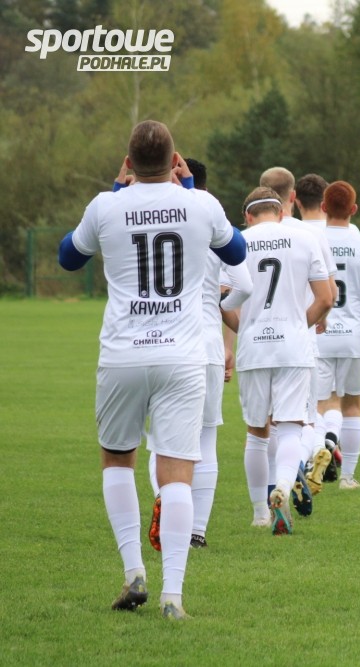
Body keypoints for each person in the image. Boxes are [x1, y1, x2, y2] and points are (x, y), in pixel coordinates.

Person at [58, 120, 247, 619]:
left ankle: (134, 572)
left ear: (128, 162)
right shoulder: (200, 203)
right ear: (174, 160)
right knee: (177, 472)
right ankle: (173, 596)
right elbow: (236, 251)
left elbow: (68, 258)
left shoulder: (106, 204)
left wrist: (117, 189)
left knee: (118, 460)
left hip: (123, 354)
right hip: (182, 356)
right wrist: (189, 187)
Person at [142, 157, 253, 551]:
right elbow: (244, 285)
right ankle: (196, 532)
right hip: (205, 342)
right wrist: (219, 307)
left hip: (158, 341)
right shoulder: (213, 219)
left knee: (161, 440)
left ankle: (165, 500)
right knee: (205, 438)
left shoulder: (147, 217)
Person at [235, 186, 334, 535]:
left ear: (248, 216)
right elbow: (326, 298)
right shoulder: (304, 238)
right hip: (293, 346)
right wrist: (296, 326)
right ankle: (283, 485)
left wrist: (246, 329)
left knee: (257, 432)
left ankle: (260, 513)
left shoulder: (237, 242)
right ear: (280, 212)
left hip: (254, 347)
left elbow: (222, 300)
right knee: (291, 425)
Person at [260, 167, 339, 517]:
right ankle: (298, 466)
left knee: (265, 426)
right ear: (292, 196)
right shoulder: (308, 234)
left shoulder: (252, 235)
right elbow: (330, 292)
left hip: (258, 341)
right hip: (299, 341)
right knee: (302, 421)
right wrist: (315, 318)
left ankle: (264, 506)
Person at [312, 181, 360, 489]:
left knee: (319, 405)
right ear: (354, 209)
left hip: (318, 333)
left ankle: (317, 454)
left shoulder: (312, 241)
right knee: (353, 406)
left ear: (324, 208)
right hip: (354, 336)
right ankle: (348, 477)